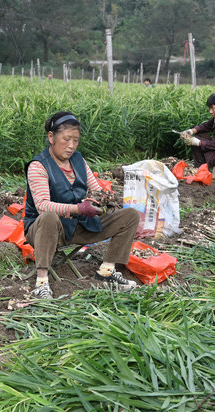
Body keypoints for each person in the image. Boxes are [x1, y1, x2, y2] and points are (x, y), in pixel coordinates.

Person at [24, 111, 141, 299]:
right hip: (46, 230)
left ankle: (107, 271)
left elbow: (94, 189)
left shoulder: (78, 160)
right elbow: (42, 206)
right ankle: (41, 282)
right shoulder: (39, 165)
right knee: (48, 216)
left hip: (78, 225)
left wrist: (105, 200)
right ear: (51, 137)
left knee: (130, 215)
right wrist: (78, 209)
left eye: (76, 140)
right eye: (66, 139)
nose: (71, 146)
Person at [179, 93, 215, 168]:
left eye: (213, 108)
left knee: (195, 143)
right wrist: (191, 131)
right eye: (209, 108)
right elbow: (207, 125)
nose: (210, 111)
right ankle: (201, 167)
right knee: (198, 136)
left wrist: (198, 142)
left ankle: (199, 168)